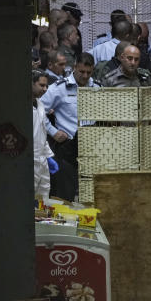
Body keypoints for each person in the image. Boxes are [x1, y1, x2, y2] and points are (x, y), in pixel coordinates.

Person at [41, 52, 99, 201]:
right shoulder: (60, 87)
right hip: (68, 147)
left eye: (89, 72)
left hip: (93, 146)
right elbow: (38, 110)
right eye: (82, 72)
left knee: (91, 194)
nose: (85, 76)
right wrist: (53, 132)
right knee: (65, 194)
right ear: (74, 67)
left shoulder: (97, 88)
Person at [32, 70, 56, 201]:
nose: (45, 89)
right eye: (41, 85)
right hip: (31, 159)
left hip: (42, 159)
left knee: (44, 196)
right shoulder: (22, 107)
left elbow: (42, 132)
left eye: (46, 86)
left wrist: (48, 155)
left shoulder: (40, 104)